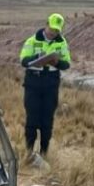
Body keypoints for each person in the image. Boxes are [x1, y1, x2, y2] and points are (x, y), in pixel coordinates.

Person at [19, 13, 71, 168]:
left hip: (50, 83)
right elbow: (24, 60)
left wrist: (56, 62)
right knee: (32, 119)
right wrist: (38, 57)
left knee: (47, 121)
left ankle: (44, 152)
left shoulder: (61, 43)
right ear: (46, 24)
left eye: (56, 30)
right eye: (51, 28)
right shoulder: (32, 40)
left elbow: (66, 64)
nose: (53, 32)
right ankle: (29, 152)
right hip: (33, 82)